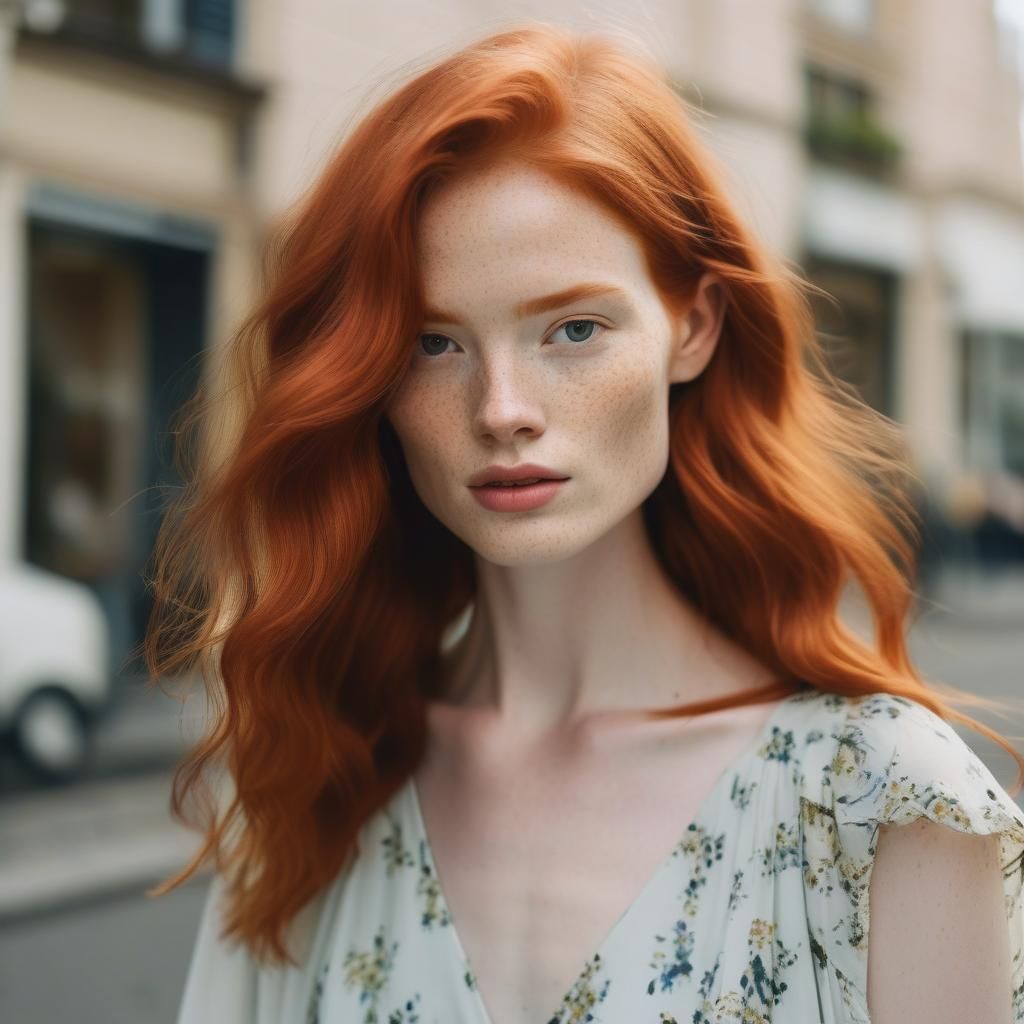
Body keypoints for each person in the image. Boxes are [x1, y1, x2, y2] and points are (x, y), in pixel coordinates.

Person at [147, 22, 1024, 1024]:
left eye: (573, 328)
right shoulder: (314, 781)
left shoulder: (882, 802)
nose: (501, 407)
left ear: (689, 328)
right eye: (434, 342)